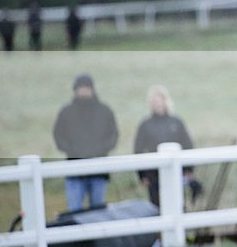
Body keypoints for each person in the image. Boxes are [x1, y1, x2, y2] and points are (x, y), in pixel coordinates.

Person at [53, 74, 119, 211]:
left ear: (92, 89)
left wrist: (100, 150)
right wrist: (73, 150)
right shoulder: (67, 112)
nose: (84, 91)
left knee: (98, 211)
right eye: (81, 88)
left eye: (86, 88)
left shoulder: (104, 111)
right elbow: (58, 135)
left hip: (99, 169)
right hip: (74, 169)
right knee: (75, 210)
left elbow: (113, 135)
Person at [134, 85, 202, 206]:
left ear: (165, 102)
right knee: (156, 206)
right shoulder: (145, 125)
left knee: (177, 203)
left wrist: (189, 169)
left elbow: (187, 144)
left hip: (176, 171)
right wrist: (142, 175)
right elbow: (138, 149)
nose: (157, 104)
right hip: (153, 174)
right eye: (154, 101)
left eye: (159, 101)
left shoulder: (176, 122)